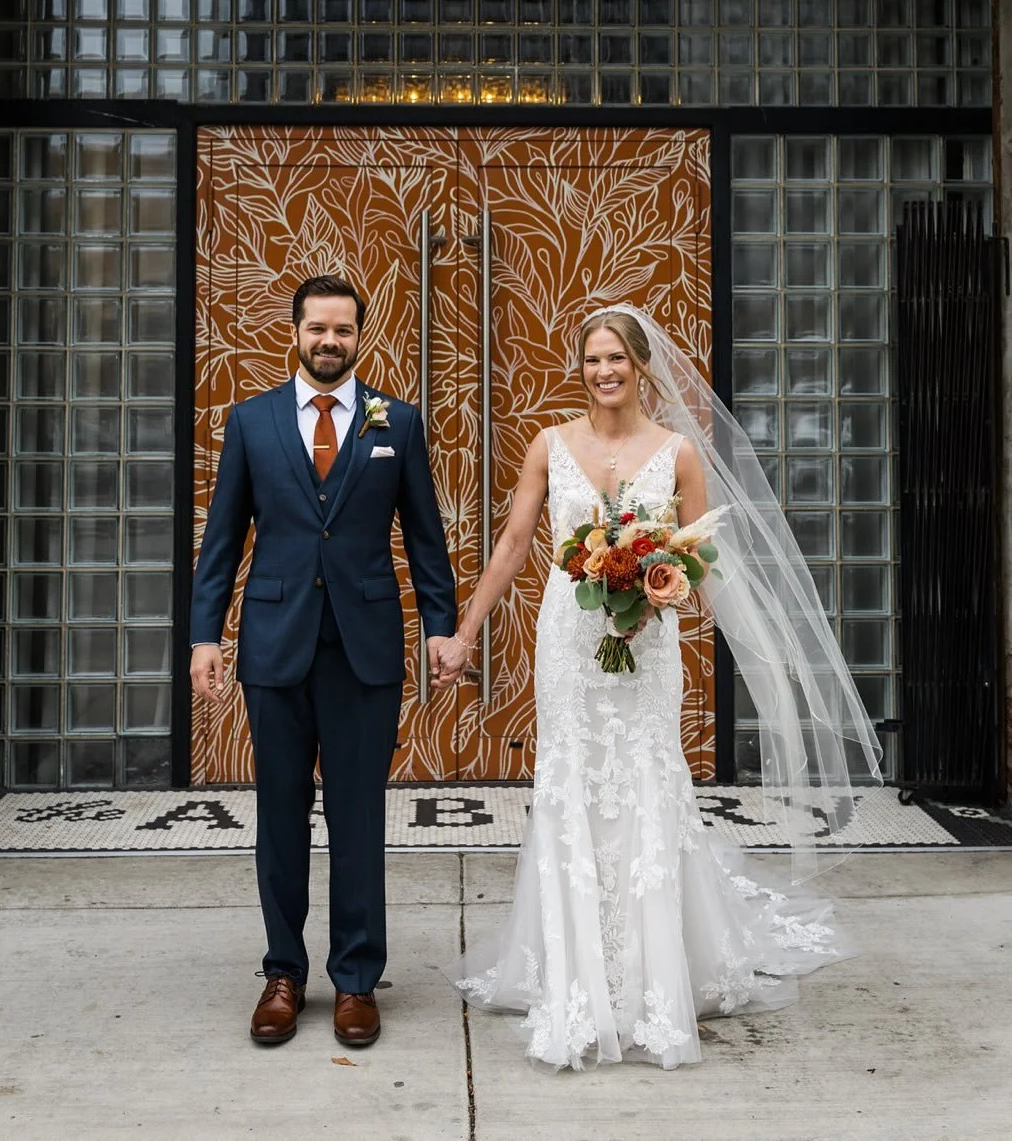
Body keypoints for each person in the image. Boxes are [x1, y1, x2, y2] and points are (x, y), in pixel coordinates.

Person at [433, 304, 882, 1071]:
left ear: (641, 365)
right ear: (580, 369)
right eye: (592, 359)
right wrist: (466, 631)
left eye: (617, 358)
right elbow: (512, 543)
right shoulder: (549, 445)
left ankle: (652, 975)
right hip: (568, 643)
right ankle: (578, 974)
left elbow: (705, 556)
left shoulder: (677, 453)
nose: (603, 371)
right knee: (572, 780)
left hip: (646, 645)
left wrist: (683, 598)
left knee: (645, 778)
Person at [190, 274, 456, 1049]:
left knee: (358, 817)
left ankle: (356, 980)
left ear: (358, 337)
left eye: (343, 329)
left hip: (363, 649)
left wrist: (440, 626)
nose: (329, 341)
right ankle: (283, 974)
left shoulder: (396, 422)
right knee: (279, 817)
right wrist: (206, 636)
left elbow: (425, 536)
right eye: (317, 328)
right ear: (296, 332)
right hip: (275, 646)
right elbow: (222, 540)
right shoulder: (253, 421)